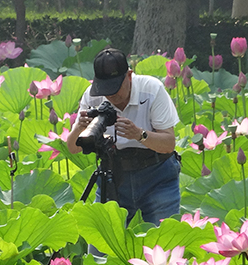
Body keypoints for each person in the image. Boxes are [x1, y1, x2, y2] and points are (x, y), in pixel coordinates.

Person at [66, 48, 180, 225]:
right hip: (113, 174)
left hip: (157, 173)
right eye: (105, 89)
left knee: (165, 244)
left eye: (115, 88)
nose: (111, 96)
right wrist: (78, 129)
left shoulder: (151, 90)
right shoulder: (92, 96)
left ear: (129, 75)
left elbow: (169, 144)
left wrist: (139, 135)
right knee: (101, 246)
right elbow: (73, 148)